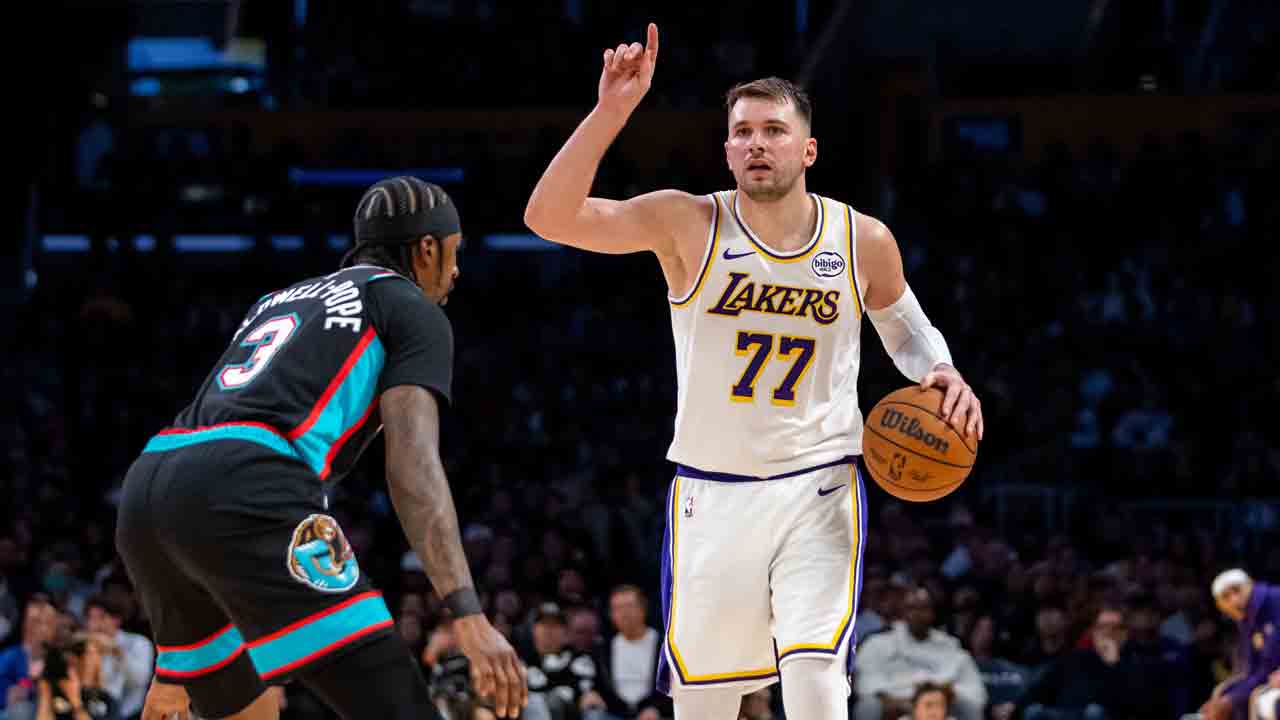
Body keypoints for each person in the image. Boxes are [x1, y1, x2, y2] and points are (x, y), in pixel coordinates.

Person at [523, 23, 983, 720]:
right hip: (713, 489)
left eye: (773, 130)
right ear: (727, 150)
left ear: (808, 149)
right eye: (742, 132)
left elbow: (904, 326)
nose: (756, 144)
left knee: (815, 674)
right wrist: (610, 112)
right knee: (706, 701)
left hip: (820, 482)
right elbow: (548, 217)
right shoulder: (688, 223)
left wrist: (942, 368)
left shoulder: (860, 238)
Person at [114, 177, 526, 720]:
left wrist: (178, 658)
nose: (456, 271)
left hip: (149, 487)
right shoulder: (411, 307)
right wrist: (466, 612)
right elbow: (414, 465)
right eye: (455, 252)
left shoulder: (277, 300)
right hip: (245, 483)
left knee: (249, 710)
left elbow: (206, 450)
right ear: (427, 248)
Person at [853, 587, 987, 720]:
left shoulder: (949, 645)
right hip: (895, 702)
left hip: (941, 703)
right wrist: (902, 704)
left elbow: (975, 691)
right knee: (868, 706)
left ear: (933, 612)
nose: (918, 614)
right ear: (902, 611)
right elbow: (866, 685)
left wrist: (945, 696)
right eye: (912, 608)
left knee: (970, 708)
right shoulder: (878, 643)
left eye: (923, 608)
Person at [1199, 570, 1280, 720]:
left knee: (1266, 702)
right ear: (1219, 605)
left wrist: (1232, 699)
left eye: (1237, 590)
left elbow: (1267, 667)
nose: (1234, 600)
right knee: (1224, 695)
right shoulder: (1247, 619)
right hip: (1270, 679)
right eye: (1226, 596)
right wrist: (1230, 697)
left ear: (1250, 584)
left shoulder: (1275, 599)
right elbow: (1256, 670)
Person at [84, 595, 152, 719]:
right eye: (90, 618)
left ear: (116, 620)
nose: (95, 624)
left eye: (101, 617)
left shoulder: (138, 642)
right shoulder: (84, 647)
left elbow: (140, 680)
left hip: (131, 715)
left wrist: (117, 652)